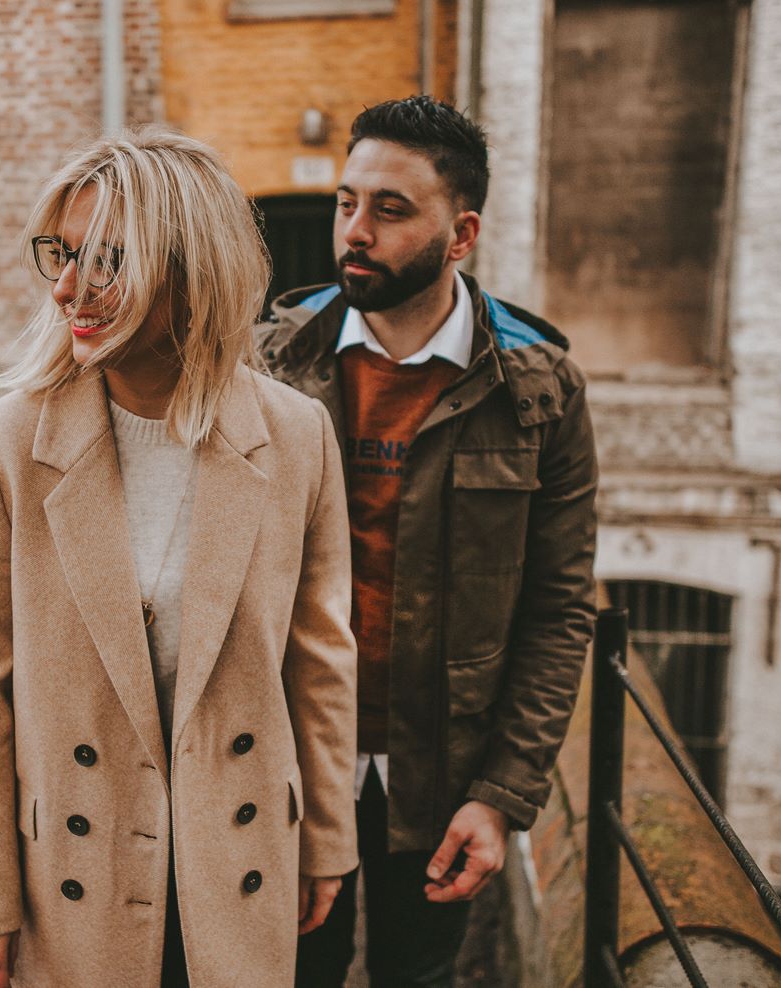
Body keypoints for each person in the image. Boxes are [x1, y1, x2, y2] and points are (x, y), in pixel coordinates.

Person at [0, 129, 359, 988]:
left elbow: (319, 660)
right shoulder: (7, 445)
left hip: (235, 860)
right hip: (66, 877)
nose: (66, 288)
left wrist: (326, 840)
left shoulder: (296, 436)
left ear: (193, 275)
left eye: (107, 261)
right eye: (63, 254)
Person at [256, 96, 599, 986]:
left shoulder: (539, 392)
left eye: (390, 209)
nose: (354, 231)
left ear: (461, 234)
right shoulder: (267, 365)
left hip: (443, 779)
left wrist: (502, 795)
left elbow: (559, 610)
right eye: (346, 203)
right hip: (285, 764)